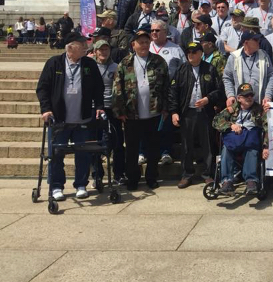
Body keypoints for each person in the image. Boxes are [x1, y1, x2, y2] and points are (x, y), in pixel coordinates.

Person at [36, 33, 105, 201]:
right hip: (59, 119)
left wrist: (99, 106)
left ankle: (81, 184)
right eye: (82, 45)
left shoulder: (89, 64)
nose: (85, 48)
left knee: (83, 153)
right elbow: (42, 88)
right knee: (56, 154)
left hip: (82, 118)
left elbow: (98, 88)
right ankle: (56, 186)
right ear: (70, 47)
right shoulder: (54, 63)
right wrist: (45, 109)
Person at [112, 25, 170, 191]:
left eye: (146, 42)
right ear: (133, 45)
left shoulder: (159, 61)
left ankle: (152, 177)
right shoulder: (125, 63)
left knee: (153, 149)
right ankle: (133, 178)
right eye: (140, 42)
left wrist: (166, 108)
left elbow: (166, 86)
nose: (144, 45)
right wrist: (120, 111)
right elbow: (117, 89)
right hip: (132, 115)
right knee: (131, 150)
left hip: (154, 113)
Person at [169, 42, 224, 188]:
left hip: (205, 113)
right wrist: (174, 112)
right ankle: (187, 175)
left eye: (194, 52)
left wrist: (208, 99)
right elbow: (173, 92)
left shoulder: (210, 69)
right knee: (187, 146)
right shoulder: (181, 69)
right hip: (187, 112)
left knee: (208, 145)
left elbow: (219, 90)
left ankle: (208, 174)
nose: (191, 55)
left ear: (200, 53)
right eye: (189, 52)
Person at [214, 83, 269, 195]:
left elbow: (267, 128)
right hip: (235, 140)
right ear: (239, 98)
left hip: (251, 141)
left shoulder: (259, 110)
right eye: (246, 96)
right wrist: (231, 125)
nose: (249, 98)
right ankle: (227, 182)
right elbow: (216, 121)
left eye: (251, 95)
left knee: (252, 149)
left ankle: (251, 181)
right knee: (226, 149)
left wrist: (265, 146)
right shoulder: (231, 110)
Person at [92, 39, 126, 185]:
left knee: (117, 142)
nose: (103, 52)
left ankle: (119, 174)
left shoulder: (116, 67)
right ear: (95, 51)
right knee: (95, 143)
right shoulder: (90, 67)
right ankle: (97, 175)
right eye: (100, 50)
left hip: (113, 108)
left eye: (106, 49)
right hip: (95, 109)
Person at [223, 31, 273, 108]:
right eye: (255, 40)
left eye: (258, 39)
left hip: (260, 104)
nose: (259, 41)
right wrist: (230, 95)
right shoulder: (234, 57)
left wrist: (268, 95)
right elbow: (227, 78)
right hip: (240, 105)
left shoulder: (264, 56)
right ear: (246, 42)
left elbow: (271, 76)